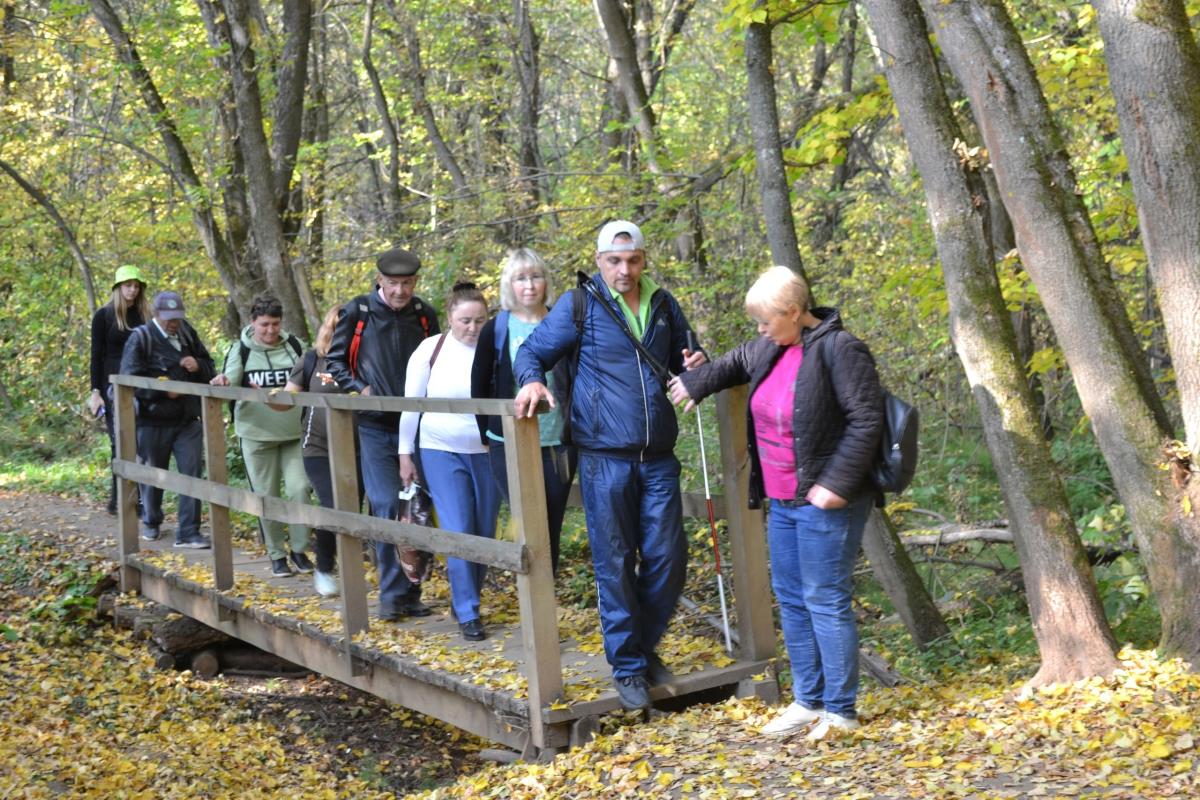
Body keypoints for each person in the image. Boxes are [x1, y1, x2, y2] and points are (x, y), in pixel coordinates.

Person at [667, 265, 884, 740]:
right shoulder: (770, 347)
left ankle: (841, 712)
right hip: (782, 499)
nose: (760, 330)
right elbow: (734, 362)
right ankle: (809, 702)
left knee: (823, 599)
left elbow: (868, 420)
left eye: (766, 321)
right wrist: (696, 381)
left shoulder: (840, 350)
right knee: (790, 597)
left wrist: (837, 484)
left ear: (792, 312)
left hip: (827, 501)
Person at [514, 220, 705, 710]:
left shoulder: (664, 303)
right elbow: (532, 350)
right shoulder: (580, 305)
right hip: (603, 455)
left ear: (644, 259)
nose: (625, 269)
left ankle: (641, 647)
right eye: (614, 261)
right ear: (599, 260)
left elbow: (687, 360)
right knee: (615, 561)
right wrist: (532, 381)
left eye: (633, 260)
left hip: (658, 455)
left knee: (669, 557)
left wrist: (698, 368)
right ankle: (628, 666)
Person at [325, 247, 439, 622]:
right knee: (387, 503)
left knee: (416, 509)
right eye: (393, 284)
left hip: (417, 426)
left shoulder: (424, 316)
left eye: (407, 284)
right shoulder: (357, 312)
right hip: (374, 427)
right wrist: (360, 389)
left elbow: (440, 361)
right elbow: (335, 361)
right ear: (379, 281)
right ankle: (391, 594)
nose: (400, 291)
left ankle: (411, 592)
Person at [401, 283, 499, 641]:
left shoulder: (495, 348)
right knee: (459, 528)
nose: (472, 328)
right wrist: (404, 453)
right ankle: (467, 610)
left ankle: (470, 595)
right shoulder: (431, 350)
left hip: (488, 452)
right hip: (440, 448)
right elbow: (410, 405)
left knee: (485, 532)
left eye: (479, 321)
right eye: (464, 321)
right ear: (450, 318)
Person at [470, 248, 576, 574]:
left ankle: (545, 594)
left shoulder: (565, 322)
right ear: (509, 284)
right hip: (507, 442)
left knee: (551, 520)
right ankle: (530, 596)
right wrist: (484, 435)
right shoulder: (497, 327)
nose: (529, 285)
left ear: (546, 281)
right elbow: (479, 383)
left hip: (557, 442)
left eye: (536, 276)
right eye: (521, 278)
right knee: (528, 517)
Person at [211, 296, 312, 578]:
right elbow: (230, 376)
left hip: (293, 431)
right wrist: (223, 381)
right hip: (256, 434)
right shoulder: (241, 349)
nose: (270, 331)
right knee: (267, 495)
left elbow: (312, 372)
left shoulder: (294, 346)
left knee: (300, 489)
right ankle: (277, 554)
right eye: (264, 325)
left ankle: (300, 550)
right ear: (253, 322)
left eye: (275, 324)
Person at [118, 290, 216, 548]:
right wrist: (162, 390)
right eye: (168, 317)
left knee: (192, 474)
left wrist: (197, 364)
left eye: (177, 317)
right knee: (153, 475)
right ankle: (151, 521)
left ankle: (189, 531)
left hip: (187, 420)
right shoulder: (141, 338)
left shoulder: (187, 334)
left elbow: (210, 368)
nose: (173, 322)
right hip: (153, 421)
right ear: (156, 314)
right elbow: (127, 382)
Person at [282, 305, 361, 597]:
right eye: (339, 325)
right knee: (332, 503)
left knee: (352, 509)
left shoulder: (363, 360)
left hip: (358, 448)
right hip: (317, 446)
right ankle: (324, 568)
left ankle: (352, 569)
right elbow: (289, 394)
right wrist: (268, 397)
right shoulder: (313, 359)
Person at [90, 265, 150, 514]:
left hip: (141, 383)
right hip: (112, 385)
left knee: (142, 443)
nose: (133, 290)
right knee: (119, 442)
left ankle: (143, 502)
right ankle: (119, 501)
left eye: (137, 286)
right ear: (118, 287)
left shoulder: (146, 315)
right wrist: (95, 391)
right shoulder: (104, 316)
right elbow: (96, 355)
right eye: (128, 285)